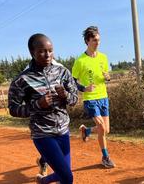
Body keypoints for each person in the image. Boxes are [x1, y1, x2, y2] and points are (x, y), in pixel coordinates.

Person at [8, 33, 78, 184]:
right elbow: (13, 109)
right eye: (42, 51)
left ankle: (43, 181)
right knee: (67, 177)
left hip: (63, 130)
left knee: (63, 173)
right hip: (42, 134)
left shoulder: (62, 72)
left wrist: (65, 95)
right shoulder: (22, 80)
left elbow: (74, 99)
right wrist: (37, 105)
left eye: (50, 50)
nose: (48, 55)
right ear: (32, 53)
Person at [71, 26, 115, 168]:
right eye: (94, 40)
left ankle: (87, 130)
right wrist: (84, 88)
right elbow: (72, 81)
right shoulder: (80, 61)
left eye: (99, 40)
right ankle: (105, 157)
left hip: (103, 97)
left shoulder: (104, 57)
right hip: (90, 98)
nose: (97, 43)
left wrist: (108, 77)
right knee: (101, 126)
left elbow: (106, 76)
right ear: (87, 41)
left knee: (105, 130)